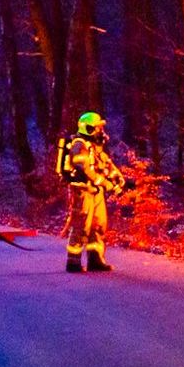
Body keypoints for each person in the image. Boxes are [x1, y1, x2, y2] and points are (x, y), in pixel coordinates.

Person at [57, 111, 126, 273]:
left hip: (96, 192)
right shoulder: (79, 145)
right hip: (82, 191)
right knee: (81, 225)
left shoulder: (94, 146)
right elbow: (85, 169)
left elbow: (105, 164)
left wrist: (118, 178)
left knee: (98, 225)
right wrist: (106, 184)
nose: (101, 131)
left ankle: (95, 259)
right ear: (88, 128)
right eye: (97, 128)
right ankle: (73, 262)